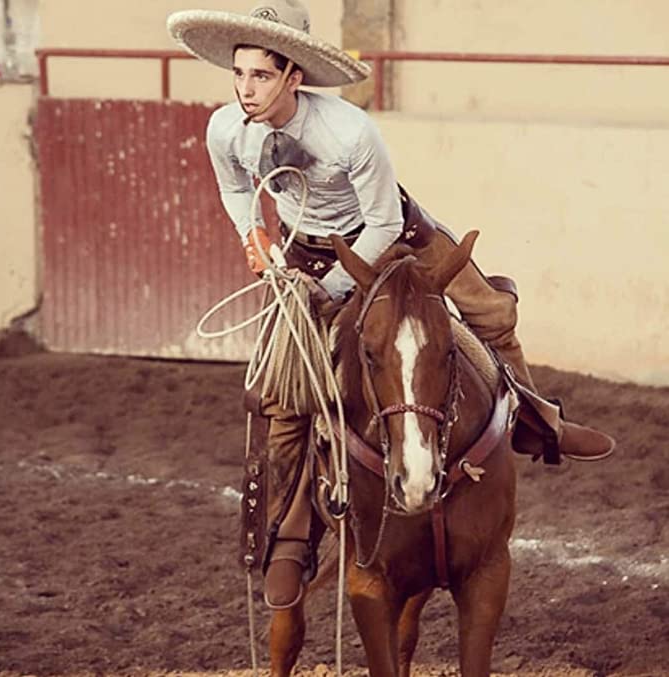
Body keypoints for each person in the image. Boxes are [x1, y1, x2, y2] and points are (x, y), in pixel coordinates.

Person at [168, 0, 615, 609]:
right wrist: (256, 238)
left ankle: (539, 423)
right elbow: (234, 186)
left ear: (293, 76)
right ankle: (291, 540)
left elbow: (381, 221)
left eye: (262, 75)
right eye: (240, 75)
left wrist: (335, 290)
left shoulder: (350, 132)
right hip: (305, 253)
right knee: (285, 391)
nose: (247, 89)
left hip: (393, 238)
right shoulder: (225, 128)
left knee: (493, 314)